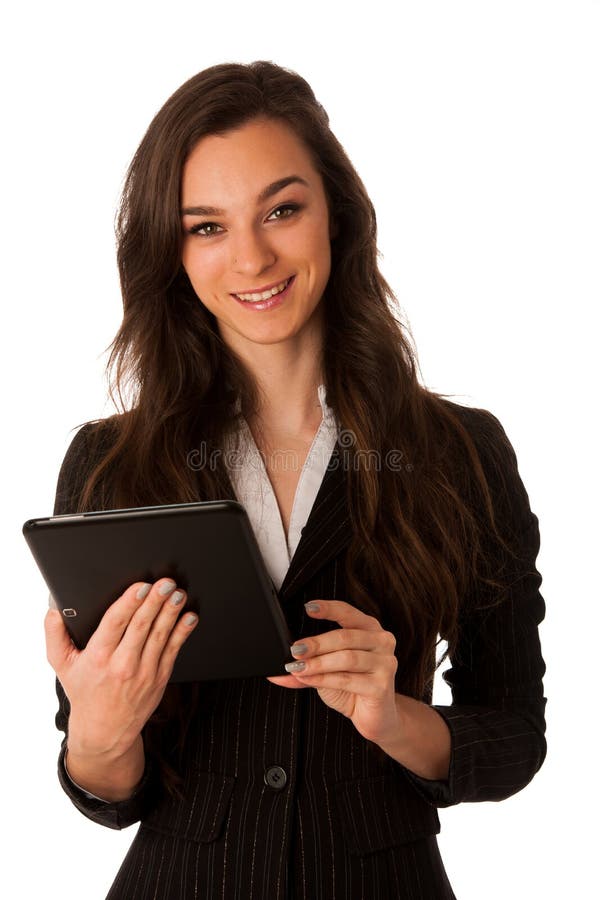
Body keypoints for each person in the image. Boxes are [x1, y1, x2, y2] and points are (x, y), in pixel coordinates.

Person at [44, 60, 547, 900]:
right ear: (171, 252)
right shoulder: (110, 466)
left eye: (281, 209)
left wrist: (399, 721)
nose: (250, 257)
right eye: (206, 227)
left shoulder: (460, 451)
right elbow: (107, 790)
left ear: (336, 216)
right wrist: (98, 730)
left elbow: (515, 739)